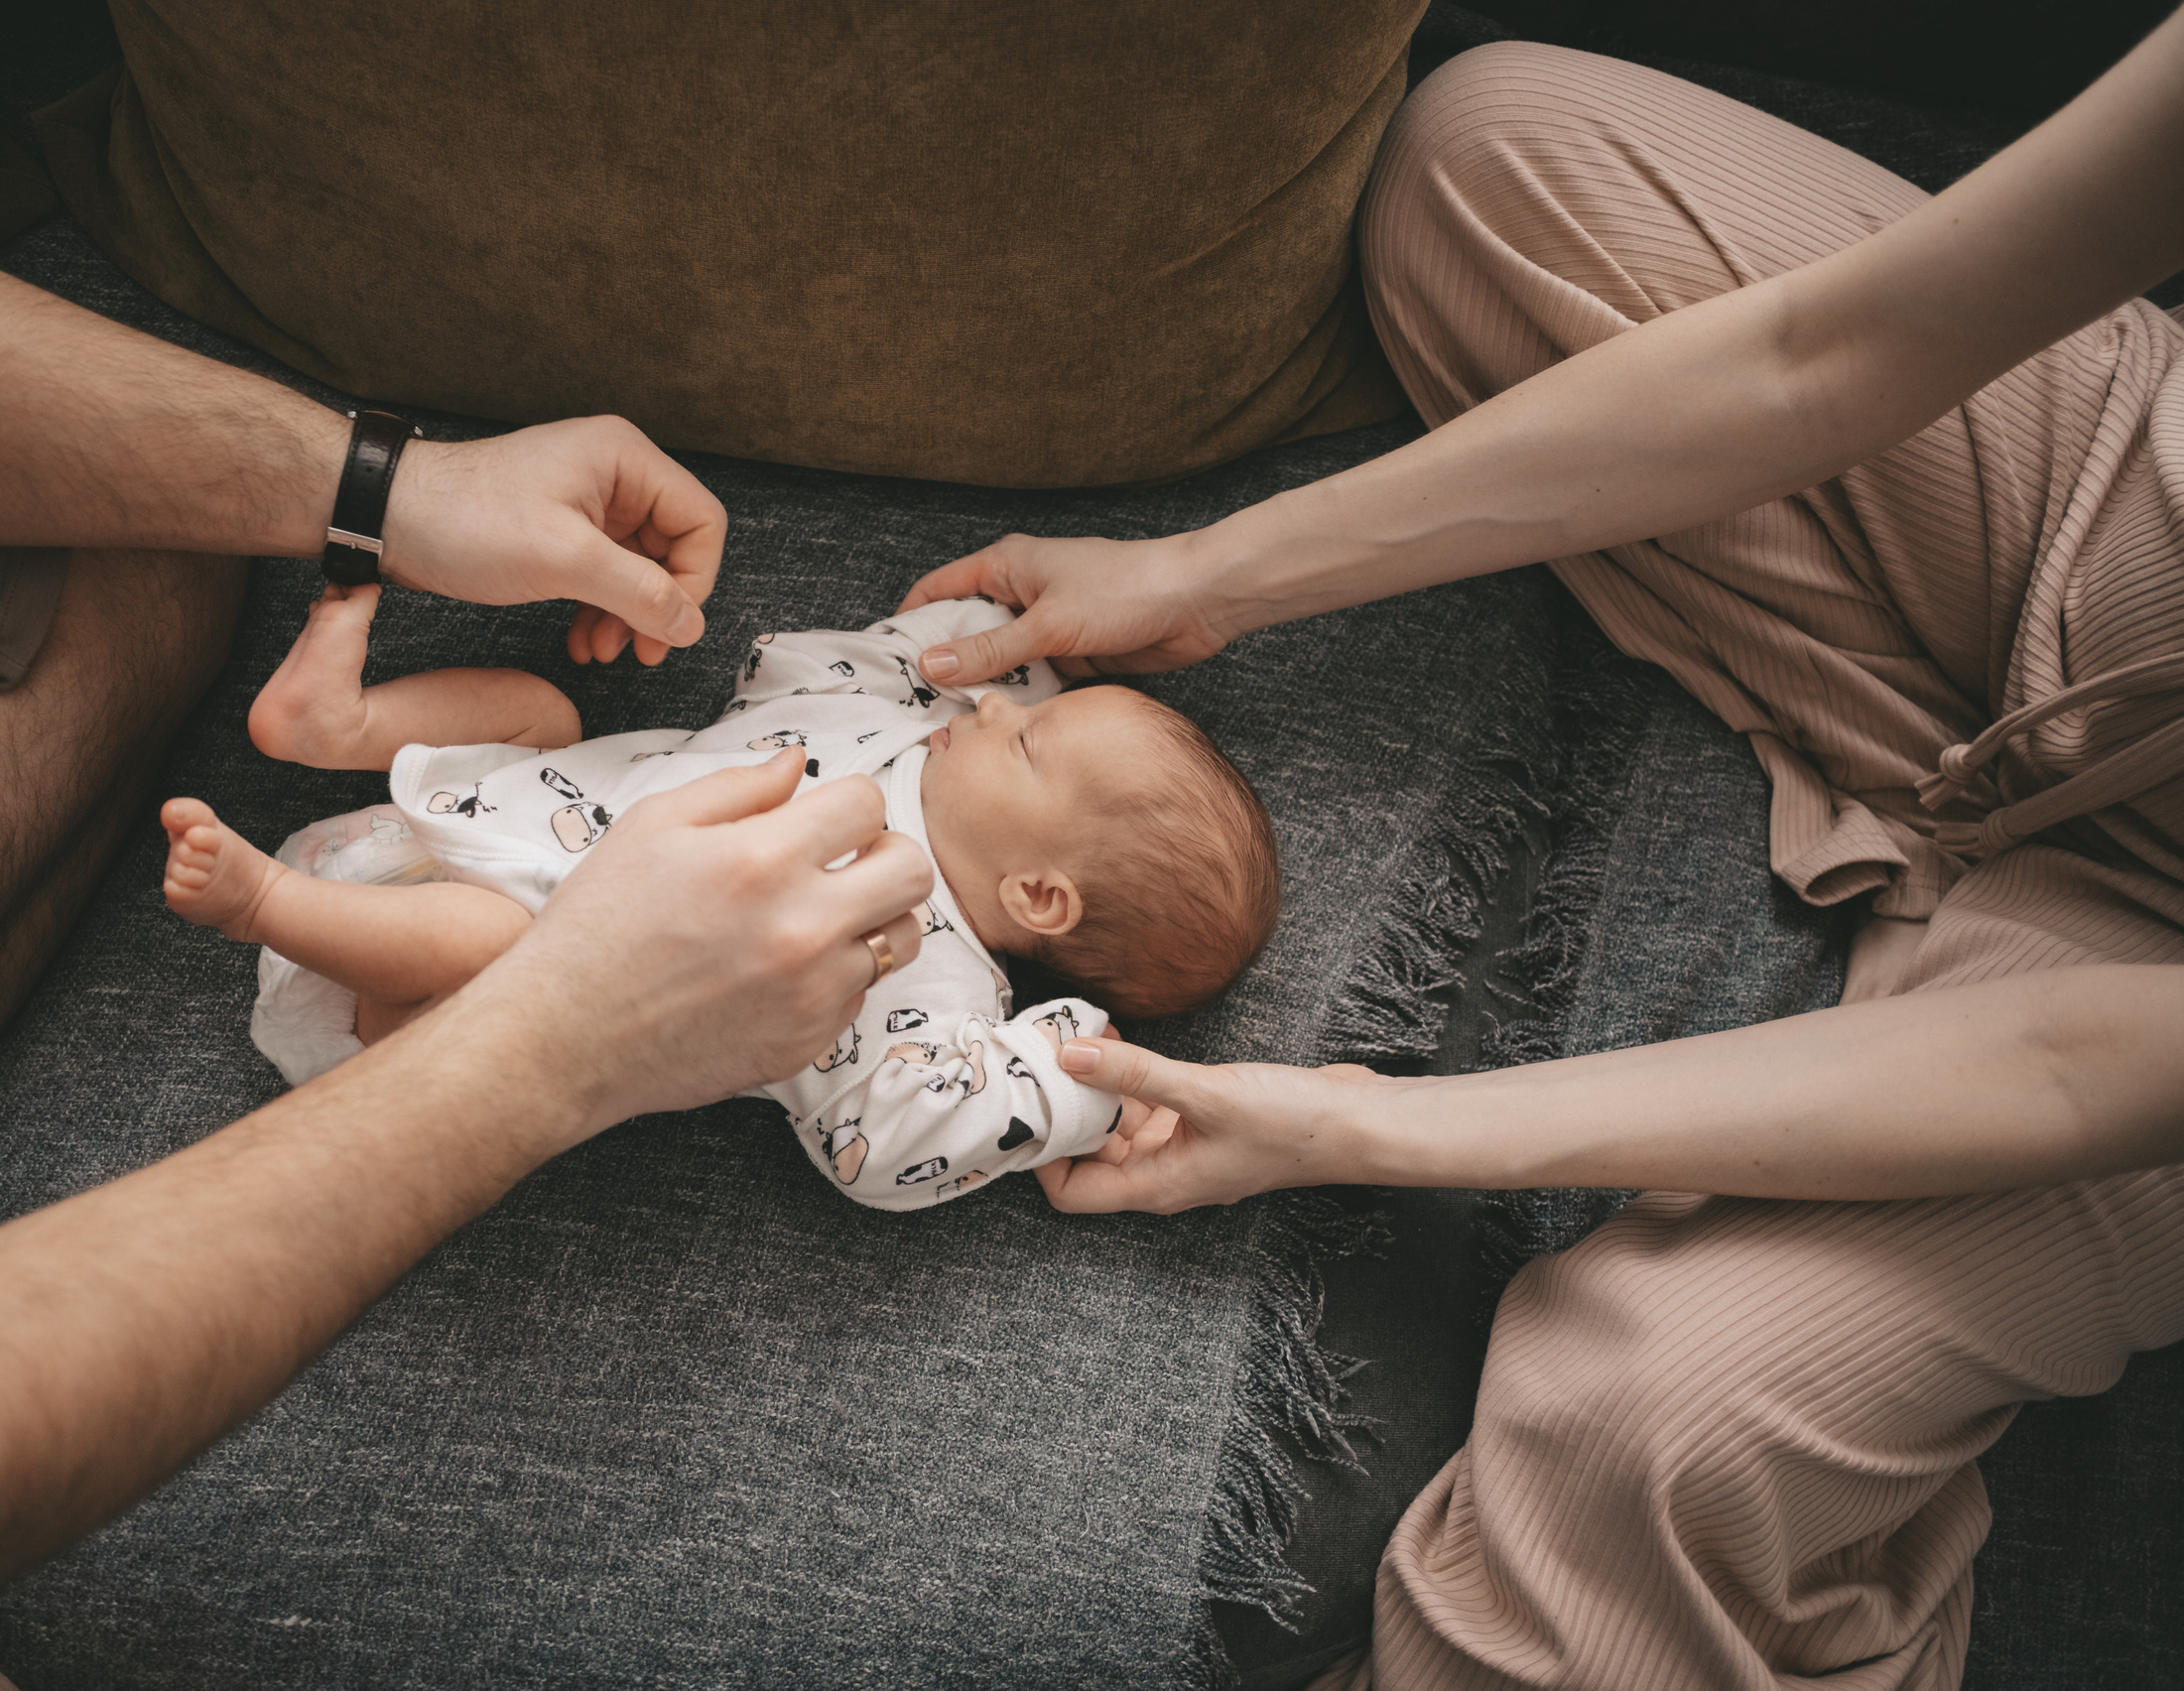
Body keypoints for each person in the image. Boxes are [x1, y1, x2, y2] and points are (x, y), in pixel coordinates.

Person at [894, 9, 2184, 1687]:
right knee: (1484, 167)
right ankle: (1904, 765)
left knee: (1645, 1428)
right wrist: (1204, 577)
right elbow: (1822, 352)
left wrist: (1372, 1120)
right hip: (2120, 569)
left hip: (2127, 1013)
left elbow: (2073, 1064)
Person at [0, 136, 896, 1689]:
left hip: (518, 853)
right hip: (552, 861)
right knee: (525, 801)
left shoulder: (970, 947)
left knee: (148, 549)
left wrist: (389, 489)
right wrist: (562, 1037)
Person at [162, 590, 1279, 1208]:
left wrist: (1070, 1070)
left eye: (1026, 737)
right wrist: (1003, 635)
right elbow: (800, 667)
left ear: (1037, 894)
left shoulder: (918, 973)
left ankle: (261, 902)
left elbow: (890, 1144)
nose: (990, 711)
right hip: (503, 802)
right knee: (544, 709)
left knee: (497, 939)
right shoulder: (912, 725)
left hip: (450, 994)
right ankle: (337, 728)